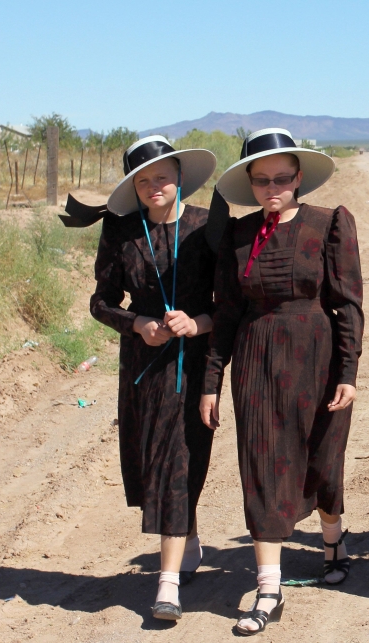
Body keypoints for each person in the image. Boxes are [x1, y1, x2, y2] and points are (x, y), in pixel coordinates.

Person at [200, 128, 363, 634]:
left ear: (299, 179)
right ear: (250, 183)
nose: (273, 188)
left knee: (322, 458)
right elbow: (225, 311)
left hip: (317, 355)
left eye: (283, 179)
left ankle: (332, 538)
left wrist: (348, 372)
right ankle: (268, 586)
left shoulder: (329, 223)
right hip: (256, 359)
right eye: (262, 180)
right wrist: (211, 380)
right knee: (263, 463)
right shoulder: (239, 234)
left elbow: (348, 304)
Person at [75, 135, 219, 620]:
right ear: (133, 188)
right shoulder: (122, 232)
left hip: (197, 364)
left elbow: (234, 303)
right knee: (159, 462)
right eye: (143, 181)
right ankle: (179, 561)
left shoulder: (206, 227)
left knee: (185, 459)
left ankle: (174, 565)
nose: (154, 186)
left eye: (162, 176)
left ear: (180, 176)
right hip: (145, 368)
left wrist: (197, 323)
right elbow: (100, 302)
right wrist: (138, 324)